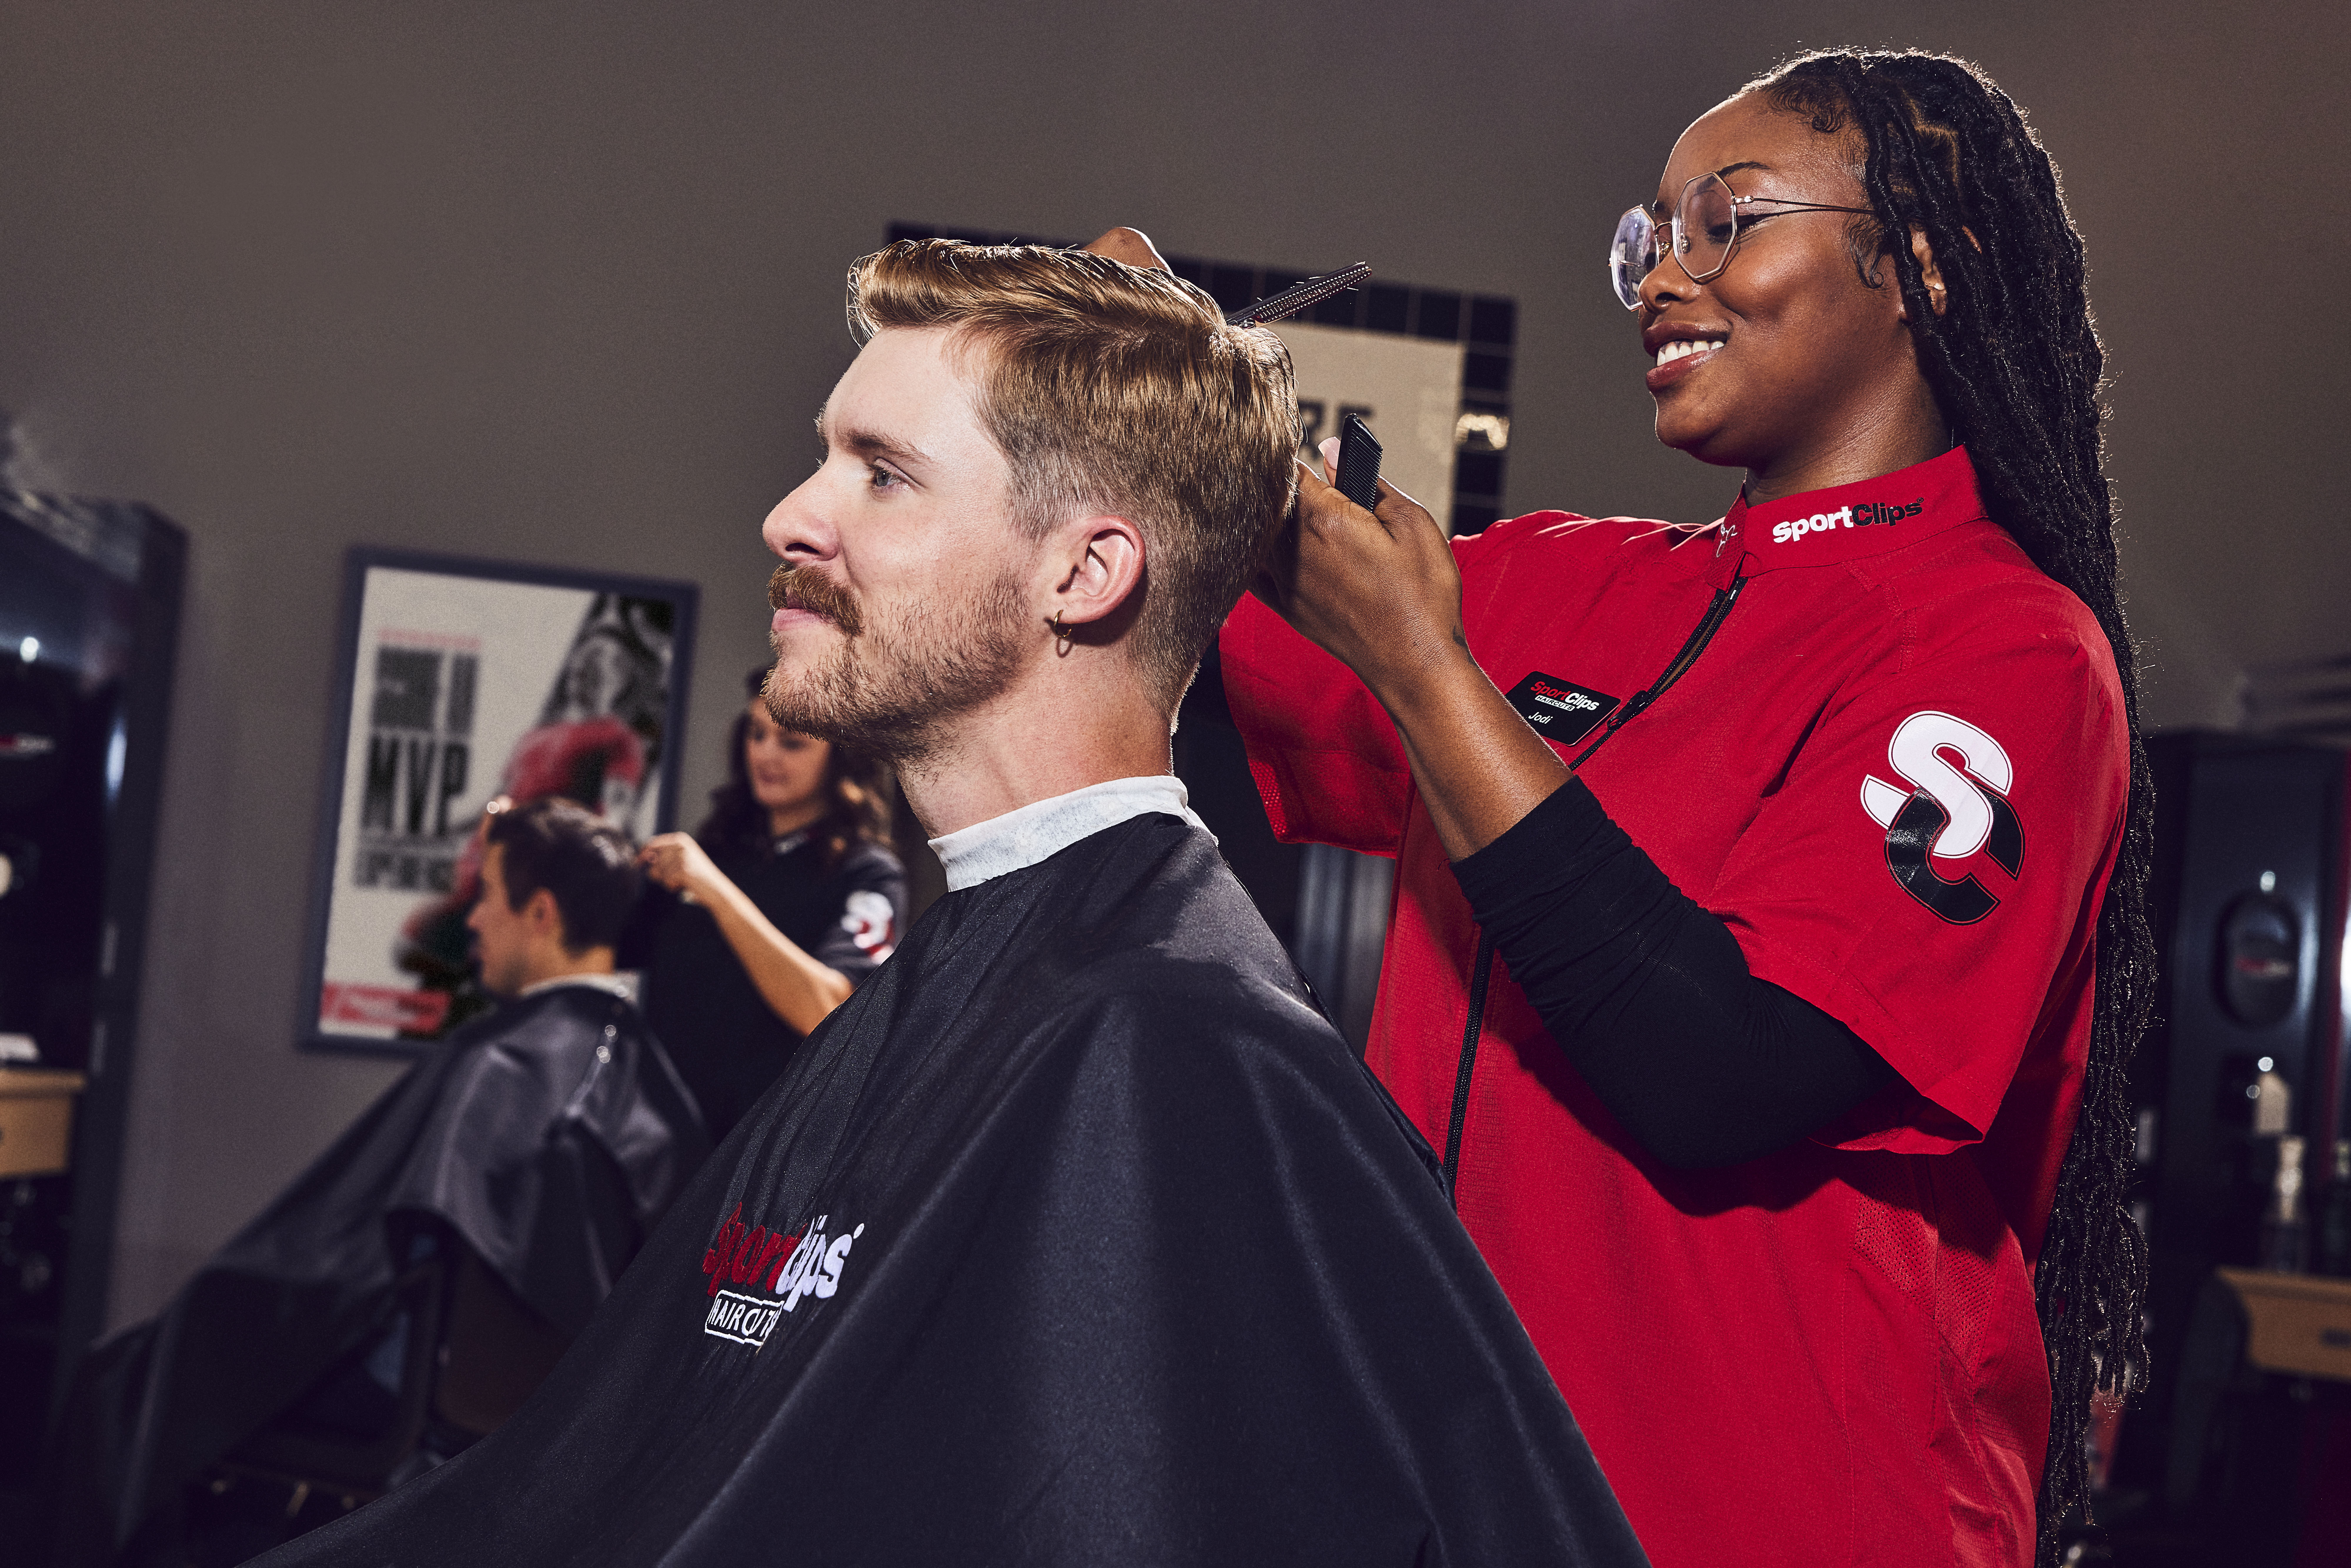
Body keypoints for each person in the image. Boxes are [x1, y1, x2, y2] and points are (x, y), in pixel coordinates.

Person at [249, 238, 1647, 1568]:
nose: (791, 516)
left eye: (882, 474)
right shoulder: (1008, 967)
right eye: (824, 460)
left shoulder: (1170, 1046)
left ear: (1085, 573)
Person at [1214, 48, 2148, 1568]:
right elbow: (1180, 680)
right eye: (1647, 240)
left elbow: (1722, 1068)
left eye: (1723, 223)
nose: (1661, 278)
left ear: (1916, 259)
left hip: (1780, 1525)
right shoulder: (1558, 582)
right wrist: (1136, 391)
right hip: (1458, 1504)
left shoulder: (2004, 654)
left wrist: (1421, 665)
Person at [49, 797, 708, 1565]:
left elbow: (349, 1258)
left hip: (414, 1391)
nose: (472, 920)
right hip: (563, 1419)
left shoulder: (498, 1065)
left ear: (539, 910)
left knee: (115, 1383)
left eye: (486, 894)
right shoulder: (658, 1089)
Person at [621, 667, 905, 1142]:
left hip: (763, 1151)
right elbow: (605, 948)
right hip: (656, 1148)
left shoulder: (869, 873)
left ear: (840, 758)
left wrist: (716, 892)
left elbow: (830, 1010)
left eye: (791, 742)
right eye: (756, 734)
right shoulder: (716, 851)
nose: (766, 755)